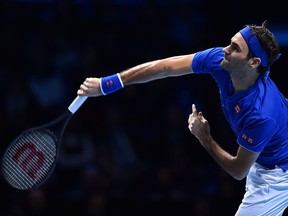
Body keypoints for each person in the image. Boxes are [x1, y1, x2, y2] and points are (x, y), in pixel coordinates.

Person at [77, 21, 288, 215]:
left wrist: (204, 136)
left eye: (235, 48)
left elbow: (238, 170)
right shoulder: (220, 61)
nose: (226, 50)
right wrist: (108, 84)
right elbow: (167, 66)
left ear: (253, 62)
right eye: (230, 43)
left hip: (278, 173)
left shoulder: (261, 114)